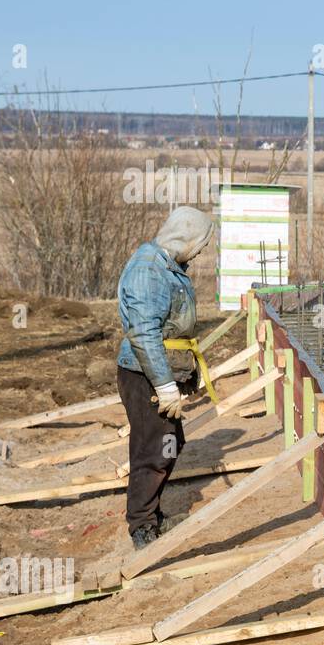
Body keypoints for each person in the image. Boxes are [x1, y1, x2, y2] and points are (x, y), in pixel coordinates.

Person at [115, 206, 215, 549]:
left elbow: (172, 325)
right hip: (142, 374)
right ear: (184, 237)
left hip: (156, 371)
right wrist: (163, 384)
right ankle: (142, 527)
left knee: (171, 444)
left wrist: (187, 372)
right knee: (152, 449)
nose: (200, 252)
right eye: (200, 244)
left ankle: (151, 517)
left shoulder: (166, 266)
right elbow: (144, 334)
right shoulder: (149, 270)